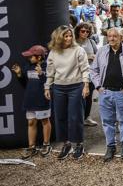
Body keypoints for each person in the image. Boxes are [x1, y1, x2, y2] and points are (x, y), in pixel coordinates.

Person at [44, 25, 91, 160]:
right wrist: (47, 87)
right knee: (60, 117)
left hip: (76, 87)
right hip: (58, 88)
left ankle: (79, 144)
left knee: (75, 117)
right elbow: (50, 71)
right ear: (59, 37)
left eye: (70, 35)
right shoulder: (54, 52)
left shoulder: (78, 50)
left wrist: (86, 85)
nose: (69, 38)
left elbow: (85, 69)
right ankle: (66, 144)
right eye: (66, 36)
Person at [91, 27, 123, 162]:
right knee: (107, 121)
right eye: (109, 36)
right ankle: (110, 146)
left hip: (122, 91)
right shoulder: (101, 51)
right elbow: (93, 70)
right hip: (105, 92)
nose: (111, 39)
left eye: (115, 36)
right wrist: (98, 87)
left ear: (121, 37)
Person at [11, 45, 52, 158]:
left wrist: (41, 74)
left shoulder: (47, 67)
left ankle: (46, 144)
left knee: (45, 121)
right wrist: (19, 74)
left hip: (42, 100)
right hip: (30, 100)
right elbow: (25, 84)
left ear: (39, 57)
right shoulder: (27, 66)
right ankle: (31, 147)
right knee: (31, 122)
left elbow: (50, 83)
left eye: (31, 56)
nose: (28, 58)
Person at [74, 23, 99, 127]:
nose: (85, 33)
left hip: (90, 72)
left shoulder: (91, 41)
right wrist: (87, 56)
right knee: (77, 97)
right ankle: (78, 118)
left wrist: (94, 57)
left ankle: (87, 117)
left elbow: (97, 55)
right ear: (78, 31)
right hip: (77, 73)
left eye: (87, 31)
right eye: (82, 31)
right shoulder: (73, 42)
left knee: (88, 96)